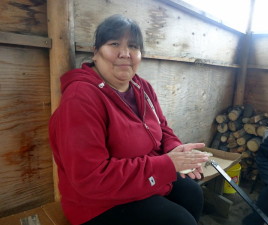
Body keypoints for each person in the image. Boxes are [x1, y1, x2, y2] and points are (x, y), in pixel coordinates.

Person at [49, 14, 210, 225]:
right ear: (96, 52)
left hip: (142, 179)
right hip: (98, 202)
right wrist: (166, 165)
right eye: (114, 44)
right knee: (179, 221)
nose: (125, 53)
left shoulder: (142, 87)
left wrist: (176, 151)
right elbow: (90, 179)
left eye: (133, 46)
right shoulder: (81, 98)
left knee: (192, 192)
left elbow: (162, 128)